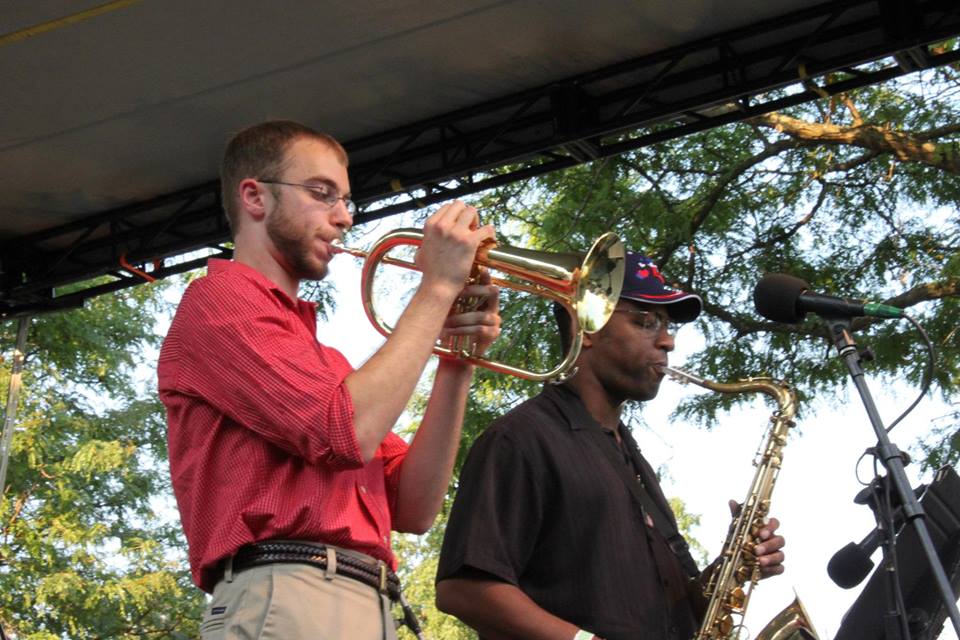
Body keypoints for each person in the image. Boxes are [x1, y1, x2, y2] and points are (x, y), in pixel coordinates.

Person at [157, 120, 501, 639]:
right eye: (322, 194)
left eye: (345, 200)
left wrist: (456, 361)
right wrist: (436, 289)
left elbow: (415, 506)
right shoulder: (217, 304)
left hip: (357, 598)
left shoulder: (330, 362)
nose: (342, 217)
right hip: (289, 591)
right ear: (255, 197)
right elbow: (344, 431)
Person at [435, 252, 787, 640]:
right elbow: (463, 589)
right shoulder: (521, 438)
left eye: (668, 325)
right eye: (646, 321)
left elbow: (652, 610)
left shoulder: (629, 454)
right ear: (586, 327)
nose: (668, 341)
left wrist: (730, 568)